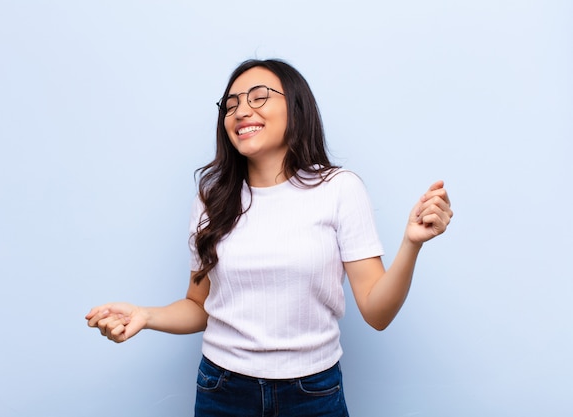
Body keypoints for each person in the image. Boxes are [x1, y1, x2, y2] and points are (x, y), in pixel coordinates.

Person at [85, 59, 453, 417]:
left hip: (313, 393)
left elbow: (377, 312)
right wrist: (144, 316)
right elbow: (199, 305)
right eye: (231, 105)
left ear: (295, 107)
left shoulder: (339, 189)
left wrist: (411, 243)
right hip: (221, 390)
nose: (241, 110)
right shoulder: (211, 198)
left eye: (258, 97)